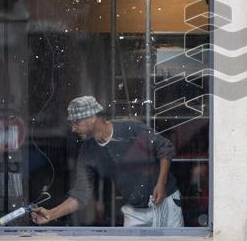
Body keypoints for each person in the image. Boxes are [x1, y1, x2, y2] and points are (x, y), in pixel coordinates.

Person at [31, 96, 184, 227]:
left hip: (165, 201)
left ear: (91, 118)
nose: (73, 129)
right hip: (134, 210)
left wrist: (161, 184)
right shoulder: (88, 151)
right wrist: (51, 214)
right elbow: (81, 194)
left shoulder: (131, 129)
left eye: (75, 123)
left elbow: (166, 148)